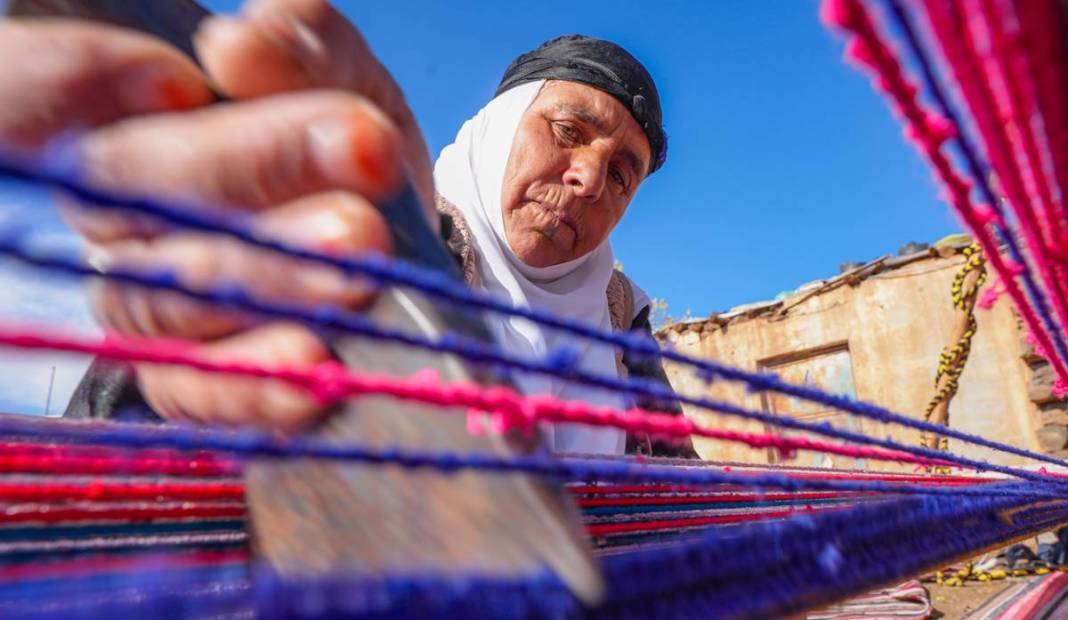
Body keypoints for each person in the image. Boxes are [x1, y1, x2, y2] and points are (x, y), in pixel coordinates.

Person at [0, 0, 695, 457]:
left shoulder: (619, 328)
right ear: (499, 130)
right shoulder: (362, 235)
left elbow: (684, 499)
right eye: (568, 131)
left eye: (621, 175)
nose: (588, 179)